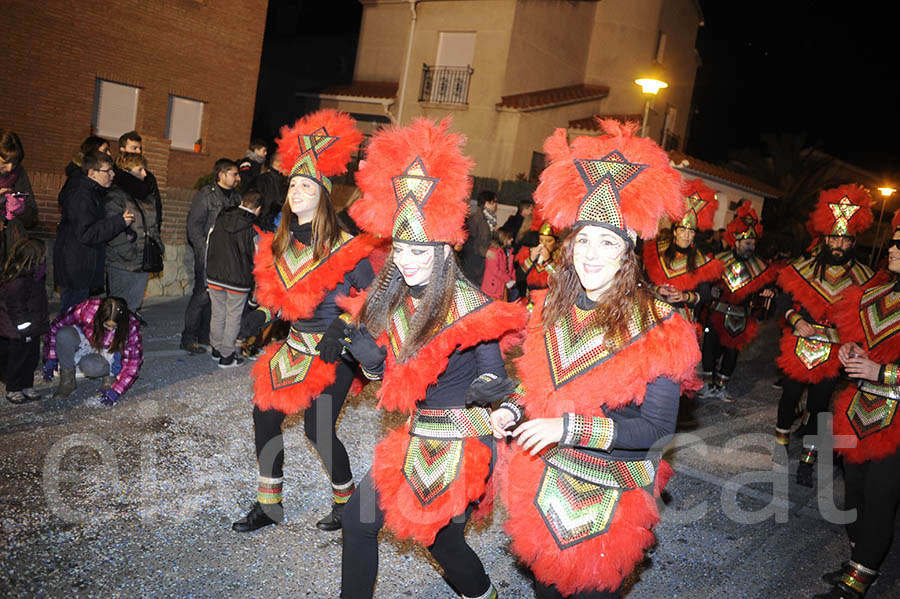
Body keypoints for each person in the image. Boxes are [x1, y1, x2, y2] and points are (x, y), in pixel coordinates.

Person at [490, 120, 699, 599]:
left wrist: (568, 428)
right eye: (583, 239)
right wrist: (513, 409)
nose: (591, 254)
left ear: (629, 253)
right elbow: (539, 384)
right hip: (545, 482)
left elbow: (658, 429)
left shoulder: (661, 326)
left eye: (607, 242)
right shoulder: (550, 308)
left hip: (612, 494)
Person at [339, 117, 527, 599]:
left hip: (465, 441)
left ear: (445, 250)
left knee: (444, 542)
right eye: (401, 248)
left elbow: (492, 372)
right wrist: (372, 364)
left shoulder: (470, 307)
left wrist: (497, 399)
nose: (408, 259)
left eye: (420, 250)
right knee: (359, 523)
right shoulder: (392, 302)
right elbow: (398, 384)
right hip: (418, 434)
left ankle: (483, 596)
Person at [231, 110, 379, 533]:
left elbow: (372, 302)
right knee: (264, 413)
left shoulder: (347, 248)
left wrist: (346, 327)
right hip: (296, 347)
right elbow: (278, 297)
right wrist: (258, 315)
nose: (296, 191)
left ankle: (346, 501)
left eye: (306, 185)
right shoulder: (280, 243)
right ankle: (269, 504)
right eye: (292, 184)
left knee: (318, 429)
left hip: (337, 350)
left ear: (323, 193)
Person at [816, 212, 900, 599]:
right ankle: (859, 563)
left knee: (881, 498)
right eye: (895, 242)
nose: (894, 249)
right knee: (854, 495)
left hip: (897, 420)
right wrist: (852, 350)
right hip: (858, 411)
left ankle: (859, 580)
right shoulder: (876, 291)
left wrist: (881, 372)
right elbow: (863, 340)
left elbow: (883, 364)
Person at [773, 185, 874, 486]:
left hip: (833, 353)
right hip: (798, 343)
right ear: (825, 238)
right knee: (789, 397)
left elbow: (863, 318)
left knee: (819, 406)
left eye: (844, 239)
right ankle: (779, 449)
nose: (839, 244)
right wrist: (794, 320)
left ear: (853, 240)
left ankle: (807, 461)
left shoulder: (865, 278)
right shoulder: (802, 267)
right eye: (834, 238)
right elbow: (783, 299)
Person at [699, 201, 776, 401]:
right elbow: (704, 281)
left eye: (754, 243)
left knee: (732, 353)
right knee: (709, 349)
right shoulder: (719, 259)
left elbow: (767, 287)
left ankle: (722, 386)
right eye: (748, 243)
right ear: (737, 242)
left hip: (741, 317)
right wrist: (711, 290)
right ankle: (708, 385)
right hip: (716, 313)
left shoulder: (760, 266)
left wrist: (768, 292)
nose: (752, 247)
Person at [54, 150, 133, 314]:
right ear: (92, 173)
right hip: (76, 267)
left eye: (112, 171)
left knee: (77, 314)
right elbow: (87, 232)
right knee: (72, 316)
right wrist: (119, 222)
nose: (112, 175)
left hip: (81, 265)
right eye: (107, 171)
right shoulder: (81, 195)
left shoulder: (92, 192)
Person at [643, 178, 723, 328]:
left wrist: (684, 296)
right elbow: (643, 282)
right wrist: (658, 289)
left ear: (694, 234)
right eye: (682, 230)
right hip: (654, 315)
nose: (686, 235)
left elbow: (705, 294)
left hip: (682, 320)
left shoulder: (702, 261)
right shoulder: (656, 251)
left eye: (690, 231)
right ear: (675, 232)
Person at [181, 158, 241, 354]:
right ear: (221, 174)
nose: (237, 178)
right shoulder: (206, 195)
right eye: (234, 174)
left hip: (225, 255)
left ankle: (205, 336)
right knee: (201, 295)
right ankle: (188, 338)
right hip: (208, 253)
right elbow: (194, 225)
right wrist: (202, 247)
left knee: (215, 297)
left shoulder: (235, 198)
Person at [42, 297, 143, 405]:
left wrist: (117, 390)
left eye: (114, 327)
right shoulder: (88, 309)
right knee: (64, 334)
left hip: (110, 352)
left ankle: (109, 376)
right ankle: (68, 381)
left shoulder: (130, 326)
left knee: (90, 366)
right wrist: (51, 357)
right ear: (100, 317)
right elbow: (56, 326)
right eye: (107, 325)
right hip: (88, 339)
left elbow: (132, 364)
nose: (110, 329)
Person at [205, 191, 262, 368]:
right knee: (233, 317)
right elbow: (259, 260)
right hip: (238, 280)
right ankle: (227, 356)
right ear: (258, 209)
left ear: (243, 201)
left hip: (215, 275)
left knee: (217, 313)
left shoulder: (221, 219)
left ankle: (215, 349)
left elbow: (209, 244)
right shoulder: (253, 229)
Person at [104, 152, 164, 312]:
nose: (145, 174)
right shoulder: (116, 195)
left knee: (134, 307)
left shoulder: (146, 197)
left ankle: (130, 336)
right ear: (127, 171)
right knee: (117, 309)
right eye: (140, 169)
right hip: (122, 262)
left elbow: (153, 224)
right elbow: (113, 230)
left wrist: (157, 245)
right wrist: (128, 253)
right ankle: (115, 337)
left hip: (142, 261)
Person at [0, 238, 49, 404]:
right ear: (32, 258)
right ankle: (14, 388)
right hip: (18, 331)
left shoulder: (34, 275)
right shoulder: (17, 281)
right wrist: (24, 331)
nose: (45, 259)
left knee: (31, 358)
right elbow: (16, 309)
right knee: (17, 361)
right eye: (43, 256)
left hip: (31, 328)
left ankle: (27, 384)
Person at [0, 129, 38, 263]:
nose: (10, 168)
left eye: (14, 163)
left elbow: (32, 217)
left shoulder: (19, 174)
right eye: (4, 162)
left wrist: (21, 209)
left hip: (10, 245)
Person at [118, 131, 163, 230]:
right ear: (122, 150)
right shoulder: (114, 175)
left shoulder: (148, 177)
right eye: (134, 148)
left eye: (140, 149)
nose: (138, 152)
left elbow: (156, 204)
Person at [460, 189, 499, 285]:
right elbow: (469, 241)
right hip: (472, 263)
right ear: (487, 202)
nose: (496, 205)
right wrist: (484, 251)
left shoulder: (490, 219)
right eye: (495, 202)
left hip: (480, 263)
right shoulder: (475, 219)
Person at [515, 221, 558, 300]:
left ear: (556, 243)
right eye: (541, 240)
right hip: (531, 303)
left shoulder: (561, 258)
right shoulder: (533, 255)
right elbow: (519, 277)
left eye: (549, 241)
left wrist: (548, 261)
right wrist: (530, 259)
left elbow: (560, 281)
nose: (544, 245)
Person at [482, 228, 515, 300]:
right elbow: (494, 270)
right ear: (504, 238)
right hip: (493, 288)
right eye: (510, 238)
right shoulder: (494, 251)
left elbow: (510, 267)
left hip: (502, 286)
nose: (512, 239)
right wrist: (508, 279)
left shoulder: (508, 251)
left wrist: (512, 279)